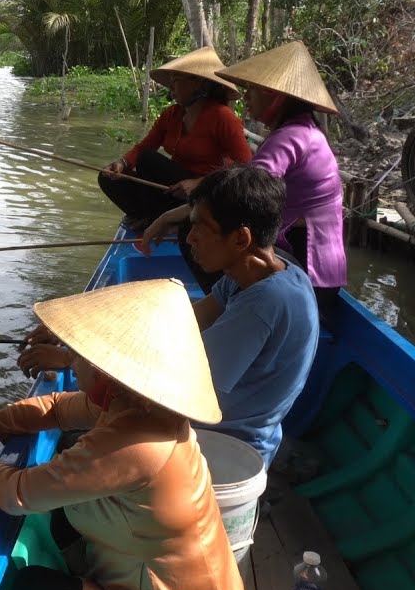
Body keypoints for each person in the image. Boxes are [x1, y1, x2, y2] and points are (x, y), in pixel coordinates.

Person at [0, 279, 247, 590]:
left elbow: (17, 493)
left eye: (80, 357)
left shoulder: (137, 443)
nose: (72, 363)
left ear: (108, 374)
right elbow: (57, 408)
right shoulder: (140, 409)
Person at [22, 166, 320, 468]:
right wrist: (74, 329)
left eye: (200, 227)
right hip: (238, 428)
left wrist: (71, 360)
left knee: (72, 452)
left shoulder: (263, 303)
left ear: (241, 239)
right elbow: (179, 321)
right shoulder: (263, 271)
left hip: (226, 444)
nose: (189, 239)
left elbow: (177, 387)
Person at [143, 41, 347, 309]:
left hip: (310, 274)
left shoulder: (292, 136)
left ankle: (228, 305)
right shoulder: (304, 131)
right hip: (319, 270)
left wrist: (167, 217)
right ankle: (225, 301)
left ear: (276, 96)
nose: (246, 96)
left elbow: (239, 192)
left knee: (194, 233)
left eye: (253, 89)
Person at [99, 47, 252, 230]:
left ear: (198, 83)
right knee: (107, 178)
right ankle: (151, 216)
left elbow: (246, 168)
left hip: (204, 194)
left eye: (176, 80)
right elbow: (145, 146)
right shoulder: (171, 115)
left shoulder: (223, 117)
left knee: (148, 160)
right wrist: (122, 163)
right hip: (173, 190)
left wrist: (200, 183)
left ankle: (161, 218)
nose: (171, 87)